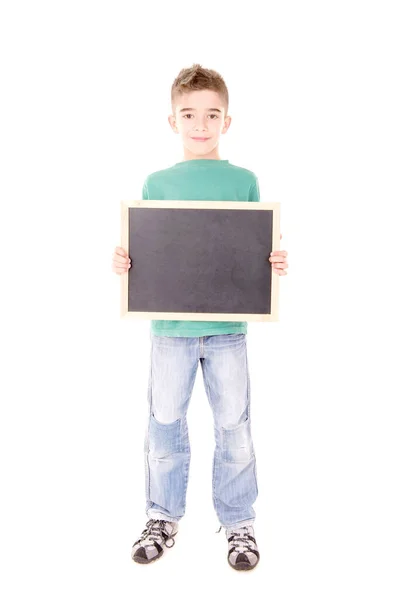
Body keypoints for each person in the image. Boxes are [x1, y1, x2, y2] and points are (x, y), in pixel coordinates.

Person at [112, 64, 289, 571]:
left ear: (227, 121)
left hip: (229, 331)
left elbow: (253, 248)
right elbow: (152, 246)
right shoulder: (157, 182)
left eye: (212, 115)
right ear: (172, 121)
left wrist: (273, 262)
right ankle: (162, 515)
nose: (201, 124)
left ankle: (238, 522)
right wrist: (126, 262)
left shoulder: (244, 181)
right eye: (189, 114)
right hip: (170, 331)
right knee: (164, 422)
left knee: (234, 425)